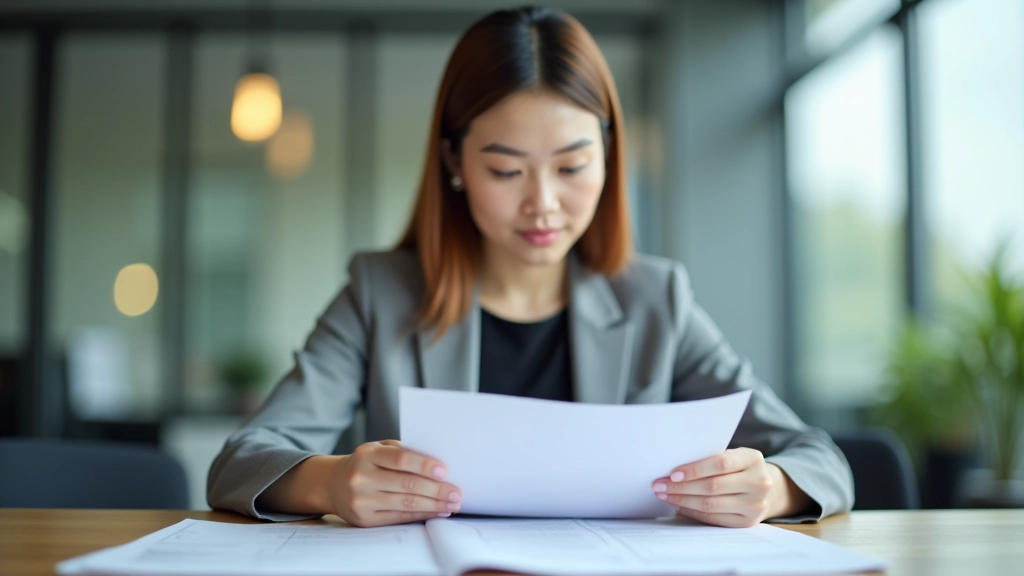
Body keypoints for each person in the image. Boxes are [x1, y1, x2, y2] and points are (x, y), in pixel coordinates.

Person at [207, 5, 854, 529]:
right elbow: (239, 461)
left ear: (608, 157)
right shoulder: (382, 294)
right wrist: (332, 481)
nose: (542, 203)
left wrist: (769, 489)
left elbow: (819, 458)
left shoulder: (657, 299)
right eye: (506, 169)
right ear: (454, 163)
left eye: (572, 167)